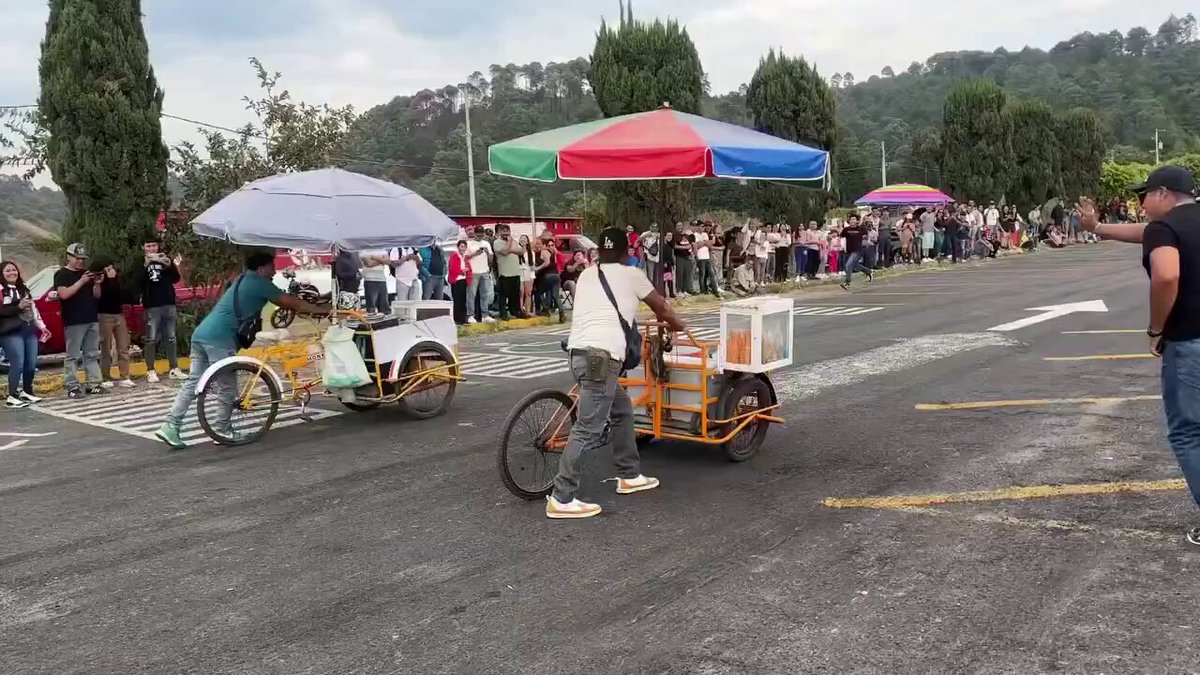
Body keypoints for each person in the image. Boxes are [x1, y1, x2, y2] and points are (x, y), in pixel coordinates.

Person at [1091, 166, 1200, 546]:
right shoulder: (1168, 227)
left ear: (1163, 193)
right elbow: (1143, 233)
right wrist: (1097, 227)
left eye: (1145, 195)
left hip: (1189, 340)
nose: (1141, 204)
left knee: (1189, 432)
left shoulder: (1164, 228)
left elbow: (1167, 276)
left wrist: (1156, 328)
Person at [546, 227, 688, 519]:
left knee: (622, 410)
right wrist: (679, 326)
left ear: (600, 251)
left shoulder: (588, 274)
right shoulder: (632, 274)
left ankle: (629, 474)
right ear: (626, 252)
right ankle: (561, 497)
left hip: (577, 354)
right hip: (602, 358)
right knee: (588, 427)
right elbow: (662, 307)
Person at [154, 250, 329, 449]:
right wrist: (322, 310)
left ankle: (171, 425)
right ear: (262, 268)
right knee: (227, 387)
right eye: (272, 267)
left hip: (202, 334)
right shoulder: (260, 284)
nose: (274, 271)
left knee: (193, 382)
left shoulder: (243, 278)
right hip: (219, 339)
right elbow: (292, 303)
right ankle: (222, 429)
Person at [54, 243, 103, 399]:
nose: (80, 261)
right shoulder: (62, 274)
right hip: (74, 320)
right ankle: (72, 386)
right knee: (73, 355)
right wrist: (81, 281)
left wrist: (97, 283)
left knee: (92, 353)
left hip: (91, 317)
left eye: (82, 259)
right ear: (68, 257)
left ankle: (93, 384)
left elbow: (96, 296)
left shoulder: (86, 273)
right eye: (77, 258)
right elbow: (64, 294)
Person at [0, 260, 49, 408]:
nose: (11, 273)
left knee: (31, 363)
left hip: (28, 329)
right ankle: (12, 395)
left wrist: (42, 326)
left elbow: (33, 309)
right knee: (18, 363)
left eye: (14, 270)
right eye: (7, 271)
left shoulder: (23, 288)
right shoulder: (1, 290)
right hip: (10, 332)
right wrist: (17, 307)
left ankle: (27, 391)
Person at [136, 241, 185, 382]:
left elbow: (175, 278)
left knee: (171, 337)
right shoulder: (140, 262)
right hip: (152, 305)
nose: (151, 248)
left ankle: (174, 368)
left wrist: (169, 265)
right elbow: (137, 282)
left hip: (168, 303)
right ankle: (150, 370)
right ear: (143, 248)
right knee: (151, 339)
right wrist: (145, 266)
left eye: (154, 245)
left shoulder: (165, 259)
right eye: (148, 246)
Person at [96, 259, 135, 388]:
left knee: (123, 347)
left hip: (118, 314)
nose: (110, 271)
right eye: (107, 269)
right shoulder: (99, 281)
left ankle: (125, 376)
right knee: (105, 348)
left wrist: (114, 279)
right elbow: (101, 297)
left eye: (111, 268)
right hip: (104, 315)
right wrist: (107, 280)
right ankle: (105, 376)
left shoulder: (118, 280)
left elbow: (123, 294)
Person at [492, 224, 527, 321]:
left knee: (515, 294)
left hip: (515, 272)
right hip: (505, 273)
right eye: (503, 231)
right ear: (500, 232)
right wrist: (509, 243)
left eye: (507, 231)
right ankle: (503, 313)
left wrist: (523, 245)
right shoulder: (497, 242)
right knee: (503, 295)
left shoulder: (514, 241)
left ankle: (515, 311)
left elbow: (521, 252)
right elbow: (505, 252)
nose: (506, 233)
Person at [466, 228, 495, 324]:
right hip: (473, 272)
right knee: (471, 294)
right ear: (474, 233)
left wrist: (487, 252)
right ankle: (470, 315)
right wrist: (475, 254)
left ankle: (485, 315)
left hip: (484, 271)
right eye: (478, 234)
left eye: (481, 234)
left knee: (485, 294)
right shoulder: (469, 244)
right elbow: (465, 257)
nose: (479, 236)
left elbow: (491, 258)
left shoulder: (486, 243)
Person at [839, 215, 874, 290]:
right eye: (851, 219)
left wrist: (866, 243)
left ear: (857, 221)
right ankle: (868, 271)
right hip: (849, 250)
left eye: (854, 219)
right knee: (854, 265)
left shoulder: (861, 229)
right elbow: (841, 237)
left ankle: (847, 282)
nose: (852, 221)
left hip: (858, 250)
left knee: (848, 266)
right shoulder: (846, 229)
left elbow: (866, 237)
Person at [534, 239, 565, 323]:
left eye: (539, 244)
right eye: (549, 245)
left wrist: (538, 268)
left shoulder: (545, 252)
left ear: (544, 245)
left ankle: (545, 309)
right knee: (555, 295)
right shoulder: (551, 253)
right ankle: (562, 314)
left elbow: (547, 262)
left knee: (538, 292)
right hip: (556, 276)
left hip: (548, 275)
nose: (550, 247)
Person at [448, 240, 472, 325]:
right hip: (457, 280)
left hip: (464, 280)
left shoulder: (465, 256)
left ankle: (462, 318)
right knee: (457, 300)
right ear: (458, 247)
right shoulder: (454, 255)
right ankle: (457, 318)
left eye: (465, 247)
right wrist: (462, 271)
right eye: (462, 246)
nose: (463, 248)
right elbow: (452, 268)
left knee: (463, 300)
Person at [359, 249, 391, 314]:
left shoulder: (382, 250)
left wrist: (374, 257)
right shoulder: (364, 251)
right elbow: (369, 263)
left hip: (382, 280)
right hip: (370, 280)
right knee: (371, 307)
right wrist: (381, 260)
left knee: (384, 306)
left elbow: (388, 261)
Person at [517, 235, 535, 315]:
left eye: (524, 239)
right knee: (521, 292)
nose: (522, 240)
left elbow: (532, 265)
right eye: (521, 239)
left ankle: (528, 310)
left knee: (528, 293)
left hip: (528, 272)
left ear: (527, 242)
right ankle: (521, 309)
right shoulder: (517, 252)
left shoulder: (531, 253)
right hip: (520, 272)